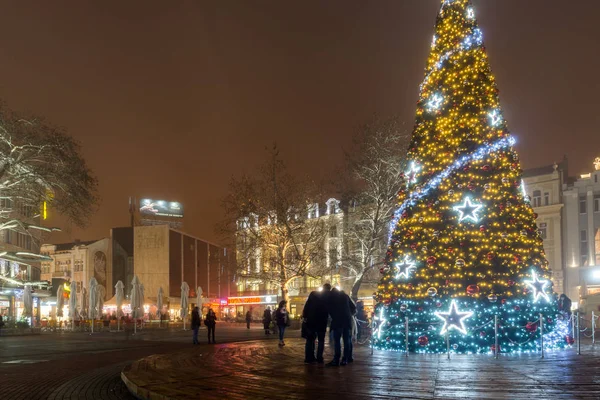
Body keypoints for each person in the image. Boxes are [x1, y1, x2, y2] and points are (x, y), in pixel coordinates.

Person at [326, 287, 356, 367]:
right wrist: (349, 315)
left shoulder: (331, 298)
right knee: (347, 341)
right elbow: (354, 308)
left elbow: (328, 310)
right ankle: (345, 359)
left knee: (337, 342)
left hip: (337, 322)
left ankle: (336, 360)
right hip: (347, 322)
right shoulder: (345, 296)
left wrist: (332, 317)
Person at [302, 283, 331, 364]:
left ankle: (309, 357)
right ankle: (319, 357)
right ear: (329, 289)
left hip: (311, 320)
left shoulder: (313, 294)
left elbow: (307, 306)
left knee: (310, 339)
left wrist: (305, 316)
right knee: (321, 340)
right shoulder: (329, 296)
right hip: (322, 320)